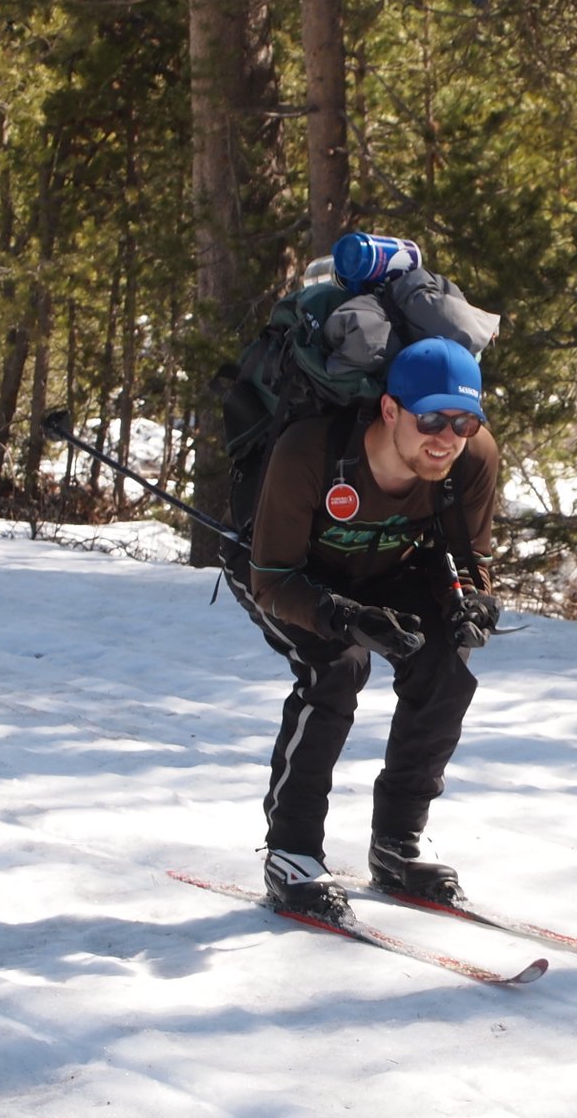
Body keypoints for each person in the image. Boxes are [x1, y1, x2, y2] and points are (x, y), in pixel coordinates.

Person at [227, 336, 502, 921]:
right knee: (337, 667)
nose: (446, 438)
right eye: (430, 418)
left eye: (464, 422)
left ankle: (398, 842)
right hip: (287, 574)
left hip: (387, 568)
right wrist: (343, 618)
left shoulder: (474, 459)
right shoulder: (311, 452)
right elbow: (272, 577)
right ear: (390, 409)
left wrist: (474, 602)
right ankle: (292, 852)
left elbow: (469, 557)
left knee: (446, 671)